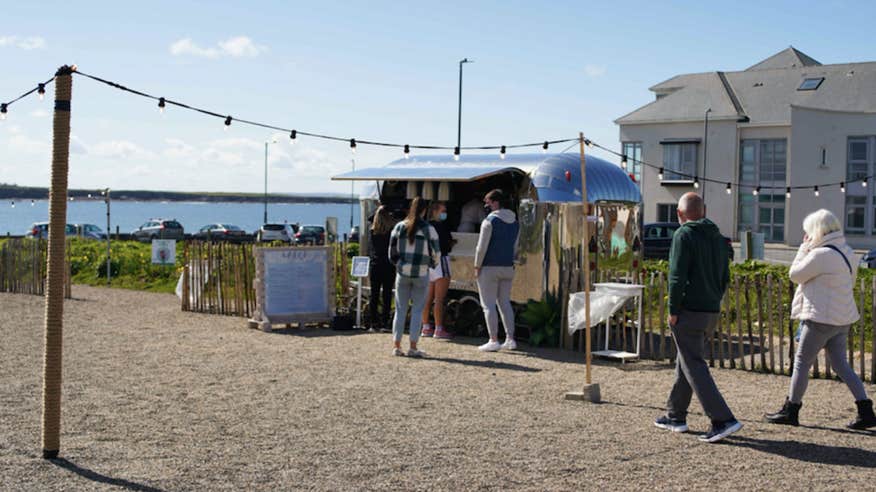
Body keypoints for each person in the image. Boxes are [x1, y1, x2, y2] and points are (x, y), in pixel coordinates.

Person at [765, 209, 876, 429]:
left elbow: (795, 275)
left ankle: (791, 410)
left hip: (819, 318)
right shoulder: (846, 251)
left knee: (801, 363)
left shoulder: (819, 254)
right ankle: (866, 410)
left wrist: (803, 249)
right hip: (841, 318)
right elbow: (850, 282)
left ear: (816, 231)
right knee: (841, 365)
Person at [654, 192, 742, 443]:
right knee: (687, 359)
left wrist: (673, 309)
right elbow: (725, 274)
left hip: (689, 309)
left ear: (680, 214)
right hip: (711, 309)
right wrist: (714, 298)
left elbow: (676, 275)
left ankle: (722, 419)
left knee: (693, 362)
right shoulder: (718, 237)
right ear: (703, 211)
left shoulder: (683, 234)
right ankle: (675, 415)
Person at [388, 197, 439, 357]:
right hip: (421, 273)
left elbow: (391, 252)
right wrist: (430, 264)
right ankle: (413, 346)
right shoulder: (429, 229)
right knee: (417, 310)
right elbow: (436, 253)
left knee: (400, 310)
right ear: (425, 210)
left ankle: (397, 346)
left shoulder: (399, 226)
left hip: (402, 273)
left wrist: (398, 264)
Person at [474, 189, 520, 352]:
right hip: (508, 267)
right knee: (505, 303)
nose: (486, 205)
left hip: (489, 267)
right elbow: (515, 247)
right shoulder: (515, 222)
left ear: (496, 203)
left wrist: (477, 265)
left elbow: (481, 248)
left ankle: (493, 340)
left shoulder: (489, 221)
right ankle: (510, 339)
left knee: (488, 304)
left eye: (488, 202)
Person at [421, 201, 455, 339]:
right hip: (441, 260)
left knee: (427, 298)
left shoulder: (425, 226)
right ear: (435, 211)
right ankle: (439, 328)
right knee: (439, 299)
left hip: (428, 261)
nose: (444, 213)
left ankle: (426, 327)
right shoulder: (441, 227)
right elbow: (447, 244)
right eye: (443, 211)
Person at [367, 206, 395, 333]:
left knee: (374, 294)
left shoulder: (372, 231)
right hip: (388, 265)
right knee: (387, 294)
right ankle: (385, 322)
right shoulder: (391, 232)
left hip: (375, 265)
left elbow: (370, 218)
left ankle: (374, 322)